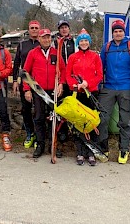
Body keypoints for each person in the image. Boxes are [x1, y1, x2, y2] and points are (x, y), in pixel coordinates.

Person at [98, 20, 130, 164]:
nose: (118, 33)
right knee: (102, 118)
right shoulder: (106, 47)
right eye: (115, 31)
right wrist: (97, 84)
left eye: (120, 31)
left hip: (126, 87)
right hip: (108, 87)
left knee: (125, 121)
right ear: (112, 33)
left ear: (124, 32)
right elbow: (99, 67)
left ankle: (124, 149)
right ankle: (103, 147)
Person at [23, 28, 66, 158]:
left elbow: (63, 70)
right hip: (38, 90)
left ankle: (54, 144)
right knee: (39, 117)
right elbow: (25, 72)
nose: (46, 40)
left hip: (53, 90)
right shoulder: (33, 53)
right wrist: (27, 89)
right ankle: (40, 144)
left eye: (48, 37)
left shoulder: (56, 53)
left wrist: (61, 84)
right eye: (44, 37)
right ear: (39, 39)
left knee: (55, 119)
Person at [66, 29, 103, 166]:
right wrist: (74, 85)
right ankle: (80, 151)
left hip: (91, 92)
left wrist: (88, 83)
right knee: (78, 123)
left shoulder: (95, 56)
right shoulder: (72, 57)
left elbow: (99, 75)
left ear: (89, 42)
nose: (84, 43)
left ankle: (91, 151)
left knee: (91, 121)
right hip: (77, 94)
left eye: (86, 40)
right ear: (78, 42)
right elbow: (67, 74)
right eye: (81, 40)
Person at [12, 20, 40, 149]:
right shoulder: (22, 45)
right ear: (28, 30)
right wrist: (14, 81)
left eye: (36, 28)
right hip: (26, 79)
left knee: (40, 109)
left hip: (40, 80)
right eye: (32, 28)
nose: (34, 30)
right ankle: (30, 133)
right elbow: (17, 63)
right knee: (26, 108)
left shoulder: (43, 43)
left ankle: (40, 135)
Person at [52, 19, 78, 157]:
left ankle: (74, 131)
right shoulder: (55, 42)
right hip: (60, 78)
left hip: (72, 79)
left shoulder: (74, 42)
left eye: (66, 27)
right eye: (61, 27)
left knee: (73, 106)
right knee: (60, 106)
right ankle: (60, 135)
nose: (64, 30)